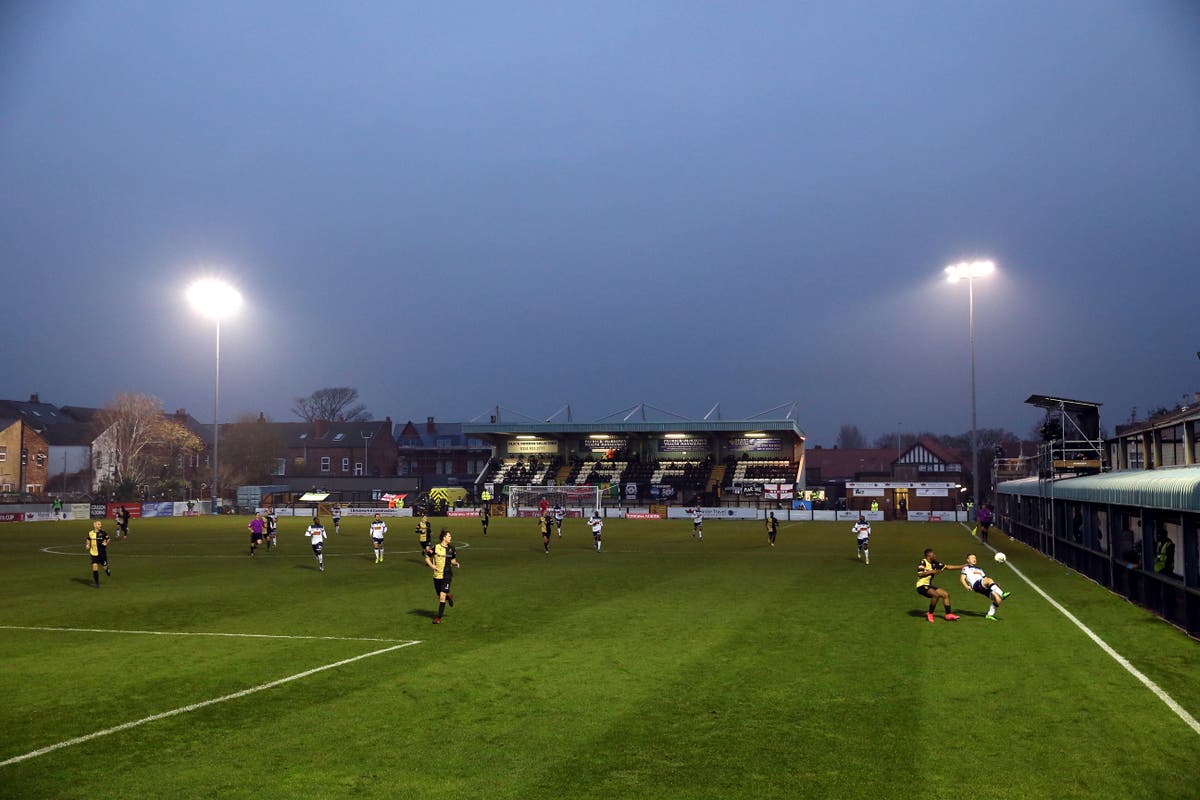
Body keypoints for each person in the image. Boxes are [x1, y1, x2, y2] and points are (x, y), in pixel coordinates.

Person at [959, 553, 1011, 621]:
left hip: (982, 584)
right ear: (968, 560)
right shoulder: (966, 568)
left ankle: (989, 615)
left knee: (998, 600)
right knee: (989, 580)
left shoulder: (979, 569)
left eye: (975, 558)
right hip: (976, 584)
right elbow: (962, 578)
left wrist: (995, 584)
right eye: (972, 558)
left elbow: (985, 579)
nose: (974, 559)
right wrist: (966, 586)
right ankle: (1002, 594)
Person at [425, 529, 461, 625]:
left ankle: (438, 618)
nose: (450, 538)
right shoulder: (436, 547)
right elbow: (427, 557)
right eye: (449, 536)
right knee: (440, 595)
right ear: (444, 538)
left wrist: (456, 563)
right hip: (437, 576)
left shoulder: (452, 548)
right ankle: (449, 596)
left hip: (447, 575)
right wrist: (432, 566)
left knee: (441, 596)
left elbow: (453, 560)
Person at [915, 548, 961, 622]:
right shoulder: (923, 562)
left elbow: (948, 567)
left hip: (928, 585)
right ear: (929, 555)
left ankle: (948, 615)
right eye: (933, 554)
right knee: (935, 595)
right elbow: (920, 574)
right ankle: (930, 614)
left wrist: (962, 566)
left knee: (945, 594)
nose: (935, 556)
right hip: (921, 586)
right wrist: (932, 571)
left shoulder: (935, 563)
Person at [84, 520, 110, 587]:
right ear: (95, 525)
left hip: (102, 553)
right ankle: (97, 583)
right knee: (95, 567)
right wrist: (87, 545)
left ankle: (107, 570)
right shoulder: (90, 533)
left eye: (100, 524)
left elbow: (108, 539)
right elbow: (88, 539)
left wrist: (106, 543)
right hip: (94, 553)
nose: (100, 525)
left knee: (104, 567)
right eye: (98, 524)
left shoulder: (103, 532)